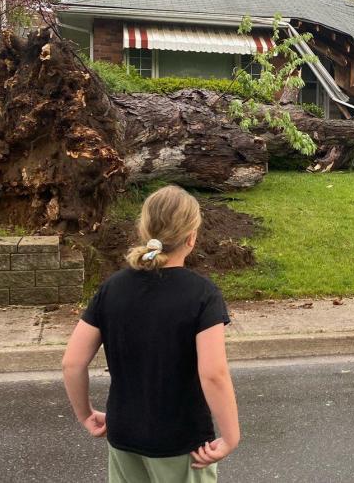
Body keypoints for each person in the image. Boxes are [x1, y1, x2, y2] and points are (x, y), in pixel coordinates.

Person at [62, 185, 240, 482]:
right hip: (182, 444)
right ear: (191, 238)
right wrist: (231, 436)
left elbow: (72, 363)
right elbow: (213, 373)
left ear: (144, 230)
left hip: (124, 436)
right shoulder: (202, 295)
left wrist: (85, 414)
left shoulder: (113, 288)